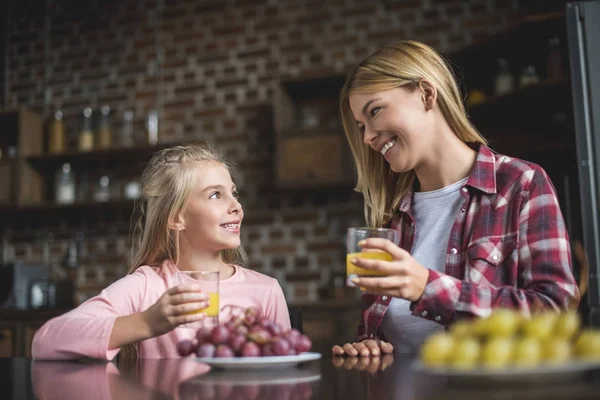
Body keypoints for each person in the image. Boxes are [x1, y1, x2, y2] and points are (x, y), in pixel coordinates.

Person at [332, 40, 580, 357]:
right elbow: (385, 332)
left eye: (375, 111)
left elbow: (556, 310)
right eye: (361, 126)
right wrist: (371, 346)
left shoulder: (521, 184)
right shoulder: (391, 217)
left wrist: (427, 287)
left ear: (426, 94)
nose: (367, 137)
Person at [32, 143, 290, 360]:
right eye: (215, 195)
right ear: (177, 218)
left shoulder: (266, 291)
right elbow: (47, 340)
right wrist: (145, 323)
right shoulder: (147, 286)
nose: (236, 205)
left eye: (234, 193)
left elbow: (286, 371)